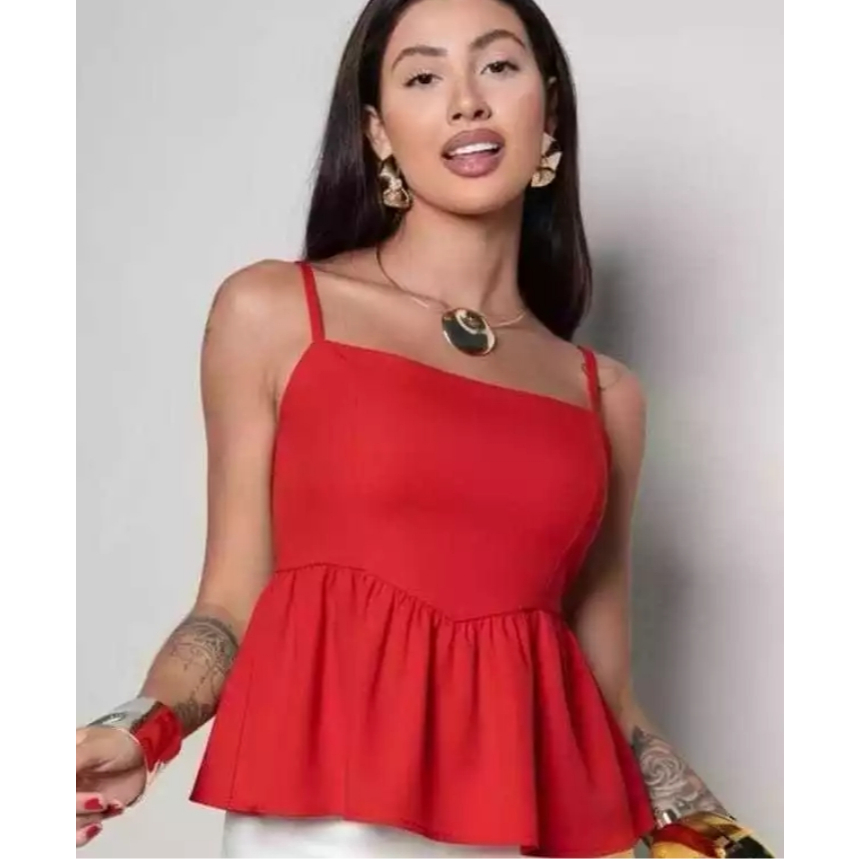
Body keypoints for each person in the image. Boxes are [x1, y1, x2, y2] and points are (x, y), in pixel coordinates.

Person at [76, 1, 772, 857]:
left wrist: (726, 843)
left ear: (549, 110)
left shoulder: (606, 396)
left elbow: (605, 695)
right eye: (422, 76)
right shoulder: (275, 312)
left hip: (527, 829)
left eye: (498, 66)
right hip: (328, 821)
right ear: (377, 131)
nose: (466, 99)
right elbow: (228, 607)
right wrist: (140, 729)